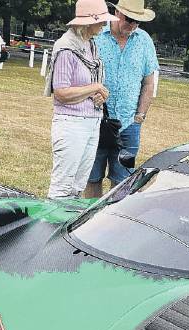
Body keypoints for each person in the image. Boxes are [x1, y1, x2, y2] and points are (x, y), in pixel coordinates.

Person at [43, 0, 117, 199]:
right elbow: (61, 92)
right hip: (71, 124)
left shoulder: (90, 44)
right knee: (62, 187)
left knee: (78, 185)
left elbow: (85, 84)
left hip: (91, 122)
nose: (104, 25)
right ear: (87, 22)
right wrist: (95, 87)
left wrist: (98, 95)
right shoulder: (66, 48)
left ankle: (68, 226)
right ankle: (51, 226)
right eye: (101, 21)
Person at [85, 0, 158, 198]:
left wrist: (140, 116)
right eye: (129, 19)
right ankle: (89, 224)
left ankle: (111, 223)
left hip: (128, 125)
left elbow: (148, 83)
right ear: (117, 12)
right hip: (94, 120)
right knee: (91, 177)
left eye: (138, 22)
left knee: (123, 183)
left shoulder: (144, 41)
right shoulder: (96, 36)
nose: (133, 25)